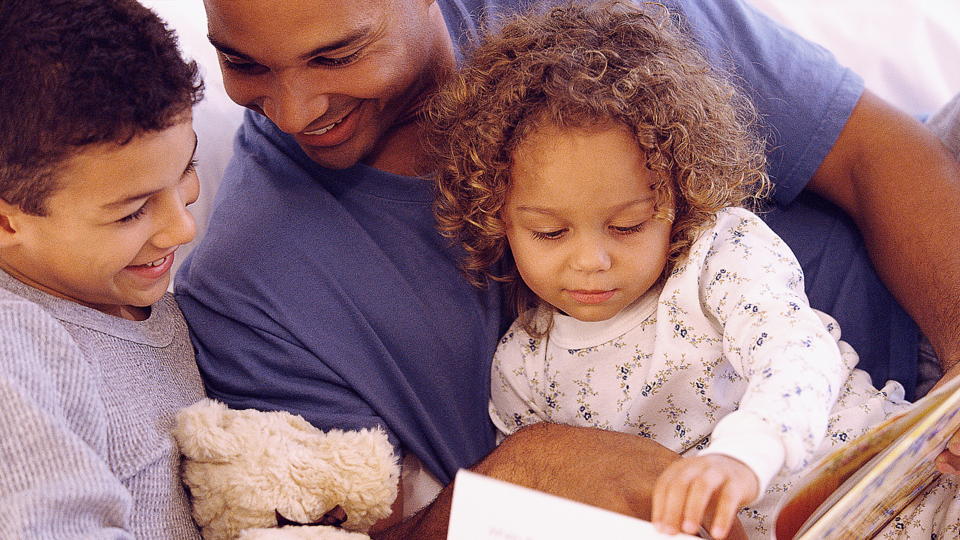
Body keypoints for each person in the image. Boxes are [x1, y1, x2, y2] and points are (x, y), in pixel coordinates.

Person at [175, 0, 960, 535]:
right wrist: (513, 480)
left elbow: (875, 152)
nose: (295, 109)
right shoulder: (247, 285)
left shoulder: (605, 33)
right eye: (242, 64)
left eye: (336, 53)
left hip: (915, 382)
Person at [426, 4, 920, 538]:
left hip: (894, 487)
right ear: (496, 215)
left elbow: (797, 352)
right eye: (550, 233)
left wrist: (744, 455)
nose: (591, 261)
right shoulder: (523, 372)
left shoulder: (718, 255)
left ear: (677, 197)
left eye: (629, 225)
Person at [0, 0, 205, 537]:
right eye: (133, 211)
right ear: (5, 223)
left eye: (187, 168)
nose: (181, 228)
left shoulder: (134, 291)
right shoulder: (14, 351)